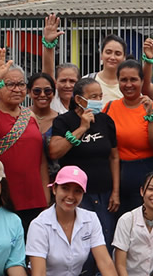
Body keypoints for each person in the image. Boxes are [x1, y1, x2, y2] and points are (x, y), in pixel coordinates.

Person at [0, 49, 50, 227]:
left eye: (21, 84)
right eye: (9, 84)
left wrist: (45, 198)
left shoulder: (30, 117)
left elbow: (41, 161)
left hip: (33, 202)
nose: (17, 89)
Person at [48, 78, 120, 244]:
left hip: (104, 192)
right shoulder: (64, 121)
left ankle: (101, 271)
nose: (98, 101)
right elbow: (54, 152)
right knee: (79, 238)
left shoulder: (106, 121)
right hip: (76, 193)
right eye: (93, 96)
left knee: (104, 237)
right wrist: (82, 128)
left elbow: (114, 157)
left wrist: (115, 191)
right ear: (79, 99)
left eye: (100, 96)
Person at [102, 59, 153, 216]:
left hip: (144, 173)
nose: (128, 84)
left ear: (142, 81)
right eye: (124, 80)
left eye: (133, 79)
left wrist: (150, 114)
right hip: (114, 174)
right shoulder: (110, 107)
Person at [41, 14, 126, 104]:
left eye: (118, 53)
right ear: (101, 54)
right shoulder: (87, 80)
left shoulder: (128, 86)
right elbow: (47, 80)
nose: (112, 57)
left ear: (124, 57)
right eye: (108, 52)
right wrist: (48, 45)